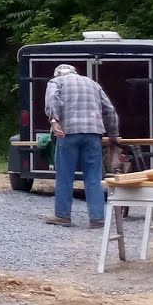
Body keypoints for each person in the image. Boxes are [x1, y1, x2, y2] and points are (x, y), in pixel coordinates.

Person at [44, 64, 119, 227]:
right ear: (75, 73)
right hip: (93, 134)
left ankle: (63, 216)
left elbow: (52, 99)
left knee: (65, 176)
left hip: (68, 133)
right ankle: (97, 218)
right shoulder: (93, 84)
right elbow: (109, 110)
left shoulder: (56, 82)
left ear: (57, 74)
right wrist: (113, 134)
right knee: (94, 177)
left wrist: (54, 120)